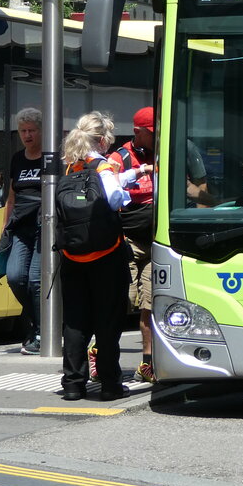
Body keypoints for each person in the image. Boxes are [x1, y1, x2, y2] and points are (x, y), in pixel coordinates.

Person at [59, 111, 148, 402]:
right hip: (106, 254)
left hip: (73, 255)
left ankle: (73, 383)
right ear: (101, 139)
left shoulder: (72, 166)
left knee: (75, 321)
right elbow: (112, 196)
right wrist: (125, 192)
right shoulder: (104, 164)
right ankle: (110, 383)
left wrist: (135, 173)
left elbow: (98, 185)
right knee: (107, 321)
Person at [107, 107, 157, 384]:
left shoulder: (163, 153)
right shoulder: (119, 158)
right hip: (127, 241)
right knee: (122, 301)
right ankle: (100, 352)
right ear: (138, 132)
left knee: (150, 305)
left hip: (155, 243)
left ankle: (147, 364)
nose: (156, 137)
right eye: (151, 133)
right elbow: (110, 194)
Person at [0, 107, 43, 355]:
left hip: (42, 227)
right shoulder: (17, 159)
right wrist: (5, 229)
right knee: (15, 276)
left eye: (31, 130)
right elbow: (11, 197)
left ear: (40, 131)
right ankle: (36, 323)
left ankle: (39, 332)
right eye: (23, 130)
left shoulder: (50, 158)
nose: (27, 135)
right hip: (19, 227)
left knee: (36, 281)